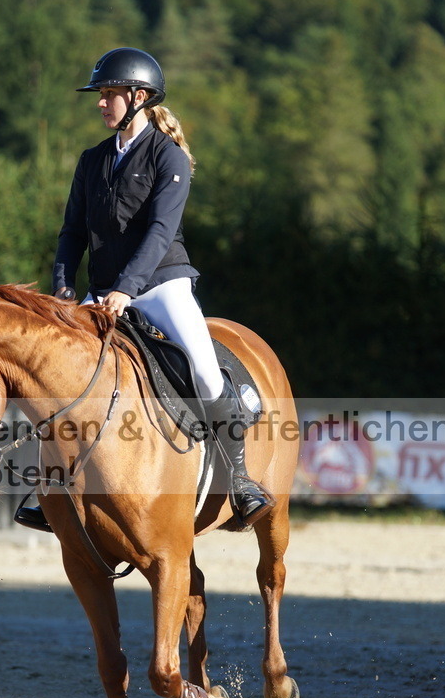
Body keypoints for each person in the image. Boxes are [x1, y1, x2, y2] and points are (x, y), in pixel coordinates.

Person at [15, 47, 274, 531]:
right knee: (49, 371)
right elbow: (71, 233)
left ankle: (239, 480)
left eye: (109, 94)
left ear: (138, 97)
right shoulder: (91, 161)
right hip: (102, 291)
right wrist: (64, 290)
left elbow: (159, 232)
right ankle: (46, 484)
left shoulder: (167, 156)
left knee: (202, 366)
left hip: (160, 286)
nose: (100, 103)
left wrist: (127, 290)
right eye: (101, 95)